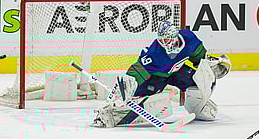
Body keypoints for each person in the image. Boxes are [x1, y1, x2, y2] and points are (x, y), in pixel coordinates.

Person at [92, 21, 231, 128]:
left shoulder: (189, 39)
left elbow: (200, 60)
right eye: (162, 40)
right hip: (157, 78)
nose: (165, 43)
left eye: (168, 39)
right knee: (149, 102)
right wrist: (125, 86)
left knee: (199, 79)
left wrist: (212, 65)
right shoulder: (154, 53)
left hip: (178, 73)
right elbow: (137, 71)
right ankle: (111, 115)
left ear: (175, 36)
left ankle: (198, 107)